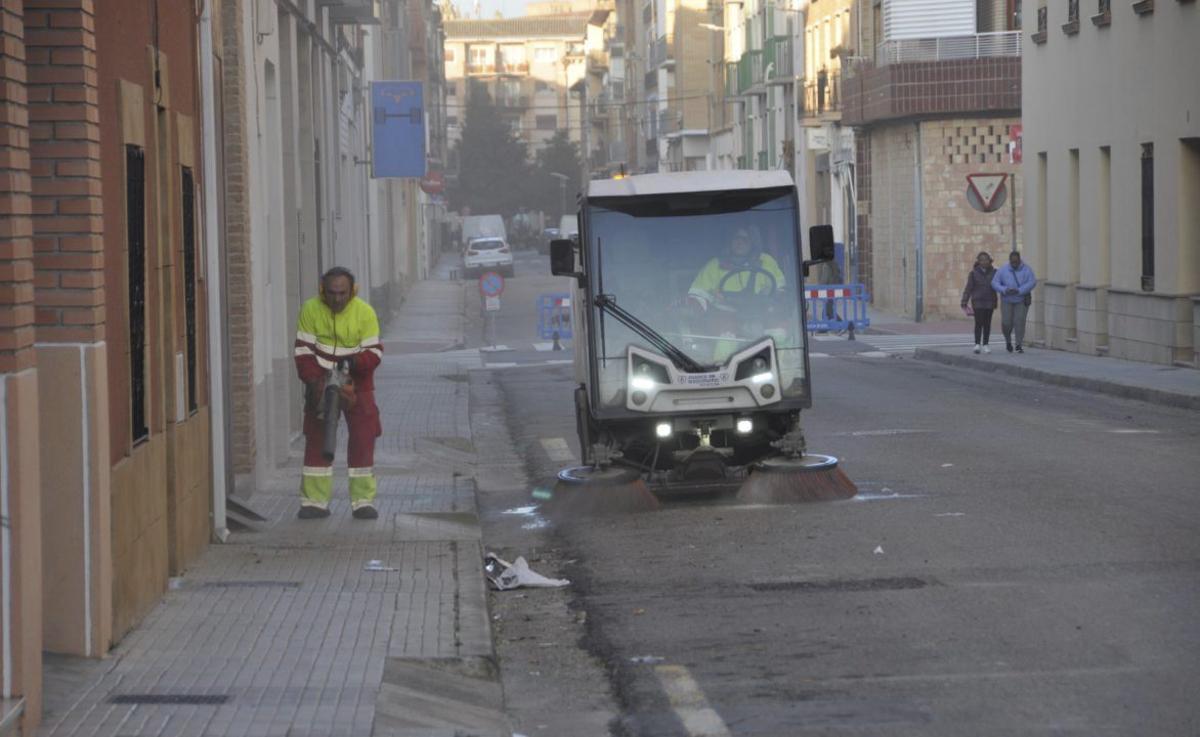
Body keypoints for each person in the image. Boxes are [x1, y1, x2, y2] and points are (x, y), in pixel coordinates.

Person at [293, 267, 384, 519]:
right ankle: (314, 502)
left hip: (358, 383)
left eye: (343, 293)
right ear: (323, 291)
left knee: (363, 439)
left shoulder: (365, 313)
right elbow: (302, 352)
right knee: (317, 438)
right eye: (331, 293)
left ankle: (363, 501)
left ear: (352, 291)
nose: (337, 299)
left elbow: (375, 353)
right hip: (321, 382)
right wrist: (315, 383)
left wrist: (354, 364)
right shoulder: (310, 310)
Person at [687, 226, 786, 312]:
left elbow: (779, 288)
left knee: (778, 329)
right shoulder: (715, 264)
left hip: (761, 312)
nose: (740, 243)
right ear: (729, 241)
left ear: (753, 242)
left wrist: (778, 298)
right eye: (736, 238)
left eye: (745, 239)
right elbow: (698, 294)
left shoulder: (766, 260)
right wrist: (695, 304)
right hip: (725, 314)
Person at [991, 250, 1037, 353]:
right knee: (1006, 322)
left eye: (1016, 262)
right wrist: (1004, 289)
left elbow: (1032, 282)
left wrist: (1020, 290)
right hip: (1007, 299)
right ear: (1010, 261)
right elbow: (994, 282)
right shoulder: (1003, 270)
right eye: (1013, 262)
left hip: (1021, 299)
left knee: (1019, 321)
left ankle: (1018, 344)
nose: (1015, 264)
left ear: (1020, 260)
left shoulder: (1027, 270)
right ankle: (1008, 341)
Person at [961, 251, 998, 354]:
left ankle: (986, 344)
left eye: (986, 259)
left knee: (987, 323)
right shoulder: (973, 273)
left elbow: (999, 285)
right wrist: (964, 300)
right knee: (978, 322)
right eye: (981, 260)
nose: (984, 262)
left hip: (990, 301)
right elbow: (968, 288)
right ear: (978, 261)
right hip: (977, 301)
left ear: (990, 261)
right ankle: (977, 344)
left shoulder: (995, 272)